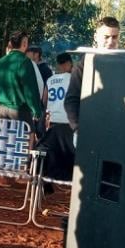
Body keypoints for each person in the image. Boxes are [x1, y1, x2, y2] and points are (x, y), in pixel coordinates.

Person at [0, 31, 44, 186]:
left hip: (1, 107)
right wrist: (36, 110)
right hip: (19, 108)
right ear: (24, 43)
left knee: (3, 138)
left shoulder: (1, 61)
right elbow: (30, 89)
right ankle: (20, 172)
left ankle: (0, 176)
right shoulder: (25, 62)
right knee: (27, 137)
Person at [64, 16, 120, 132]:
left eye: (114, 37)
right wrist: (77, 129)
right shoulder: (85, 63)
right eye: (106, 37)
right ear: (96, 37)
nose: (110, 41)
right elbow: (71, 99)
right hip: (90, 130)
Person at [37, 53, 75, 183]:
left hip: (53, 122)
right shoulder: (75, 79)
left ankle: (48, 177)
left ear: (59, 65)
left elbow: (44, 100)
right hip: (69, 122)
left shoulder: (50, 79)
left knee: (52, 150)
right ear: (69, 63)